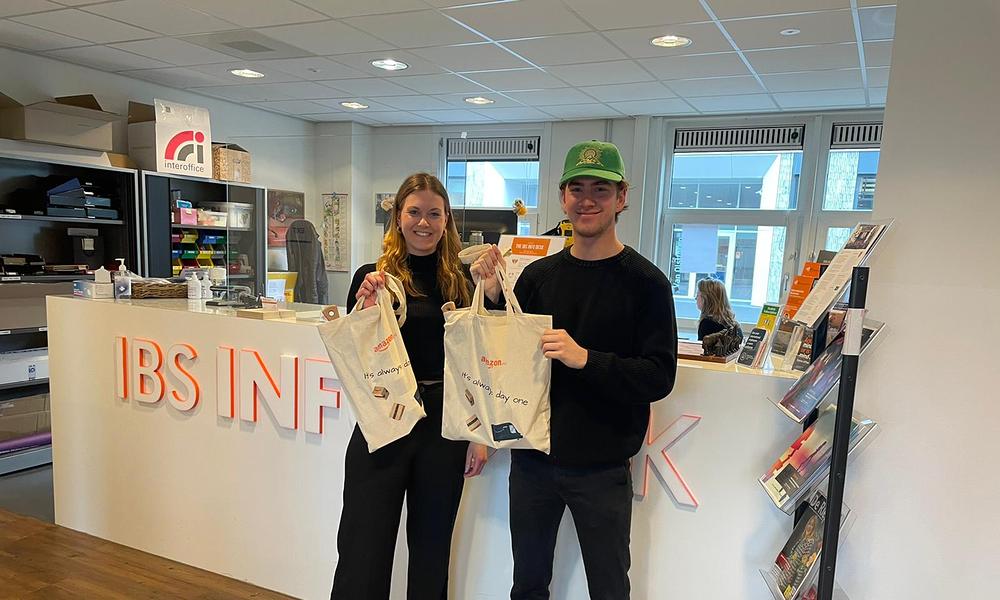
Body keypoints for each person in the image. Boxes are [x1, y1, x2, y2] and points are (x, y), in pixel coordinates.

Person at [472, 140, 678, 600]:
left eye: (600, 189)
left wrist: (586, 358)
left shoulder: (647, 284)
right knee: (527, 586)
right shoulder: (537, 277)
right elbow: (505, 359)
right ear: (563, 197)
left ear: (622, 197)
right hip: (531, 462)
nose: (587, 200)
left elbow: (659, 376)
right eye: (577, 188)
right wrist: (490, 296)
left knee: (608, 588)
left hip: (602, 469)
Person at [330, 173, 490, 600]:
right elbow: (358, 353)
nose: (424, 222)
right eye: (414, 212)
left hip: (443, 424)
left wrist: (478, 435)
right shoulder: (373, 277)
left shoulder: (462, 280)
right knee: (363, 546)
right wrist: (363, 305)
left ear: (447, 219)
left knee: (432, 547)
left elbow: (475, 363)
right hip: (384, 421)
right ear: (398, 218)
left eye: (434, 214)